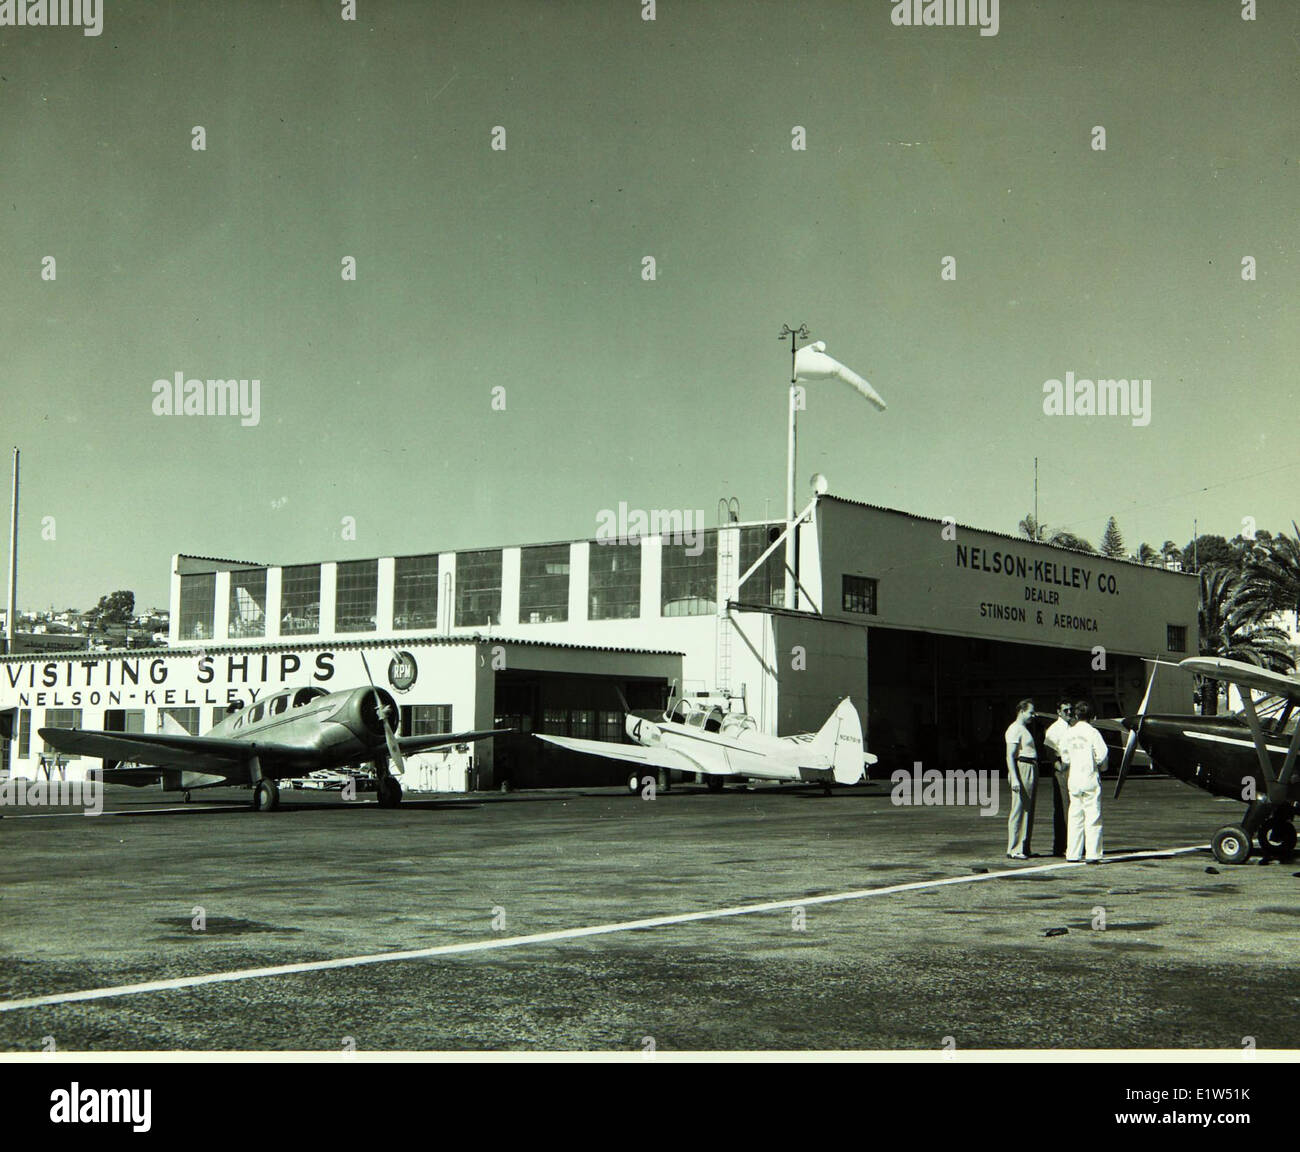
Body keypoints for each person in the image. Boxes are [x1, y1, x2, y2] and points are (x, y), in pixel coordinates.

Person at [1059, 700, 1108, 863]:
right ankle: (1093, 854)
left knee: (1074, 816)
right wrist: (1101, 767)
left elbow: (1064, 757)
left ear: (1076, 715)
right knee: (1093, 816)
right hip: (1089, 777)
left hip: (1074, 778)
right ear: (1092, 717)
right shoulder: (1093, 733)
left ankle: (1072, 853)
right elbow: (1102, 755)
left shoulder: (1068, 733)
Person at [1004, 699, 1037, 859]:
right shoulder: (1015, 729)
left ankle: (1024, 847)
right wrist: (1015, 778)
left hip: (1030, 767)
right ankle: (1014, 848)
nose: (1033, 715)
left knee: (1027, 809)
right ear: (1022, 711)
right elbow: (1010, 756)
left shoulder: (1023, 728)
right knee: (1018, 808)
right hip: (1022, 767)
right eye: (1031, 712)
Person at [1042, 699, 1074, 857]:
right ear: (1058, 712)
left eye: (1070, 710)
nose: (1069, 712)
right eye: (1066, 710)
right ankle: (1063, 845)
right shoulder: (1054, 729)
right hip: (1063, 770)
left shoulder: (1071, 727)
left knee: (1071, 808)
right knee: (1064, 808)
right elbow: (1049, 750)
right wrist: (1059, 768)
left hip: (1073, 770)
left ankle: (1070, 844)